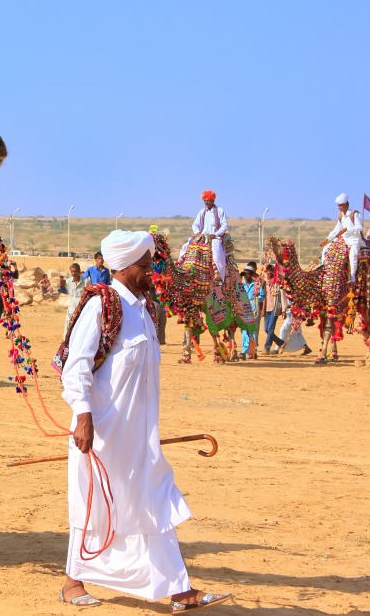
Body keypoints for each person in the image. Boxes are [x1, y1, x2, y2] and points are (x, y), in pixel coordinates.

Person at [59, 230, 231, 611]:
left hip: (141, 434)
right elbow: (77, 367)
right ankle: (73, 583)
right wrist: (83, 416)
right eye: (143, 266)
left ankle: (180, 591)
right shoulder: (101, 306)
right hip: (104, 431)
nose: (150, 271)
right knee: (96, 502)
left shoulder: (146, 310)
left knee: (151, 499)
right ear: (122, 268)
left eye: (149, 263)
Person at [178, 190, 229, 282]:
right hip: (202, 237)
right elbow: (195, 224)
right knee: (186, 246)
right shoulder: (202, 212)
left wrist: (215, 234)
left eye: (208, 200)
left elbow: (224, 226)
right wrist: (197, 232)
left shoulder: (219, 211)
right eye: (204, 200)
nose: (206, 202)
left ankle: (219, 276)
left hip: (214, 237)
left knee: (216, 253)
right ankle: (180, 267)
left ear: (213, 201)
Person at [320, 194, 361, 283]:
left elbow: (359, 228)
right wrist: (327, 240)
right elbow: (336, 229)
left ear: (346, 204)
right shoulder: (340, 216)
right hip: (343, 240)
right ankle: (324, 272)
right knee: (326, 249)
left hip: (354, 240)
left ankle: (353, 276)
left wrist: (346, 229)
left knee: (353, 255)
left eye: (341, 205)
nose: (339, 207)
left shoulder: (354, 214)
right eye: (338, 205)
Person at [261, 264, 284, 355]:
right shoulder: (265, 283)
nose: (269, 273)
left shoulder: (277, 284)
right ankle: (280, 342)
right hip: (267, 308)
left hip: (275, 308)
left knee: (270, 329)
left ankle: (267, 348)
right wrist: (263, 309)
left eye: (271, 271)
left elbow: (282, 296)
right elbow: (264, 297)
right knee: (266, 329)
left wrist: (283, 310)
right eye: (268, 271)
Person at [239, 262, 259, 359]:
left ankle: (251, 350)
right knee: (244, 329)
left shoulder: (256, 285)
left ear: (251, 274)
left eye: (247, 274)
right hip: (243, 308)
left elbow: (262, 296)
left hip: (253, 308)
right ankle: (244, 350)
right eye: (244, 274)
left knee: (251, 330)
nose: (246, 276)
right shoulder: (241, 285)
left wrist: (256, 299)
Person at [63, 263, 86, 332]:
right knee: (68, 324)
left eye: (75, 271)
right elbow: (67, 291)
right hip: (72, 307)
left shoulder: (86, 281)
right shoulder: (68, 281)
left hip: (82, 307)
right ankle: (66, 341)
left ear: (79, 271)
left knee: (81, 325)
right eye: (72, 271)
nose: (73, 273)